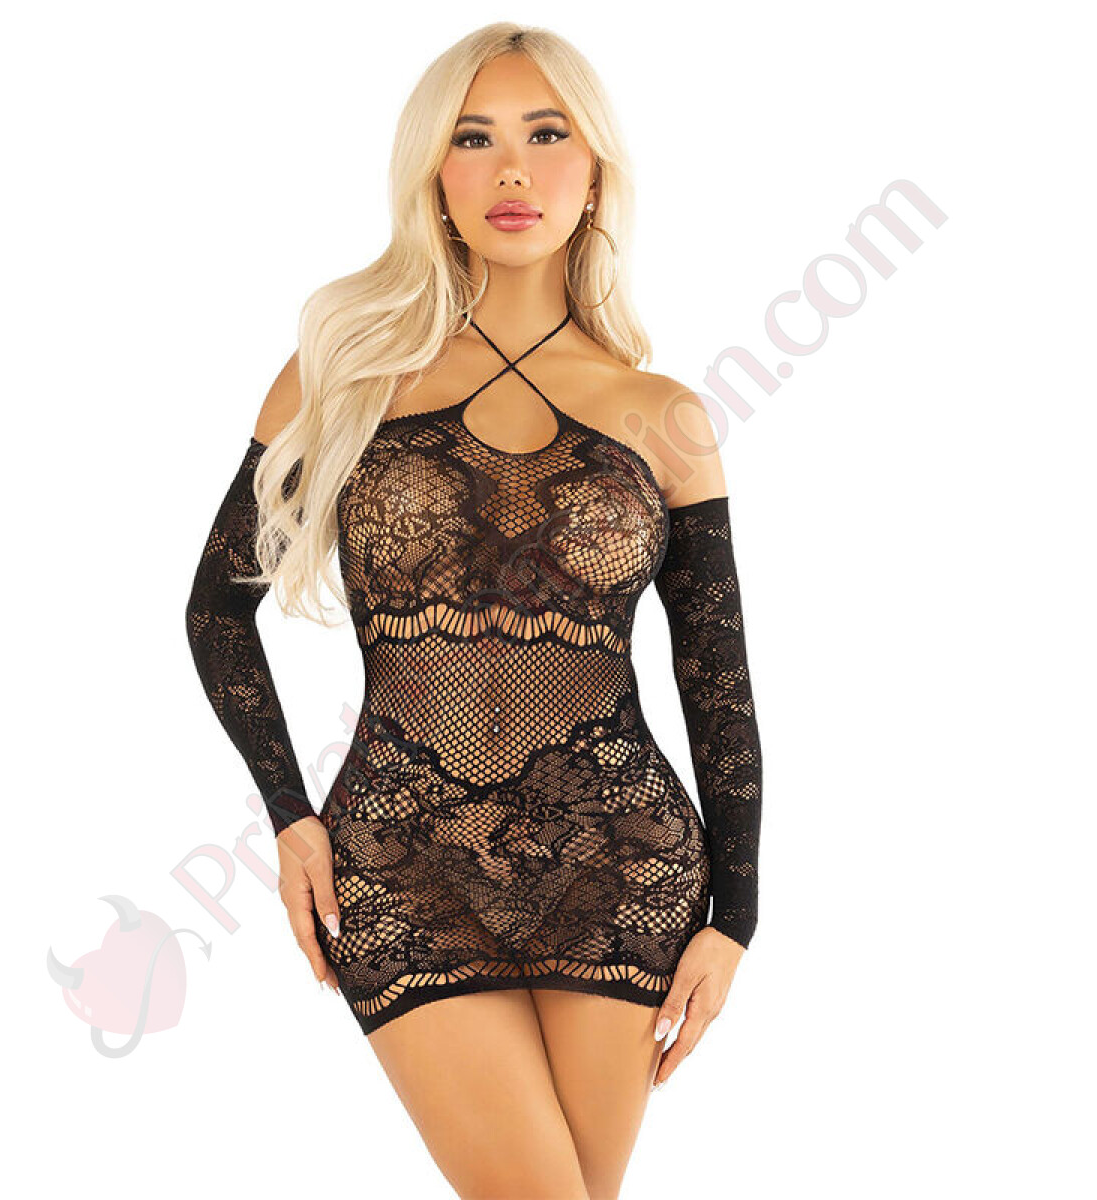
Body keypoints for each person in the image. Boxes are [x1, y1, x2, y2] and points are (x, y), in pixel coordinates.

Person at [185, 24, 762, 1200]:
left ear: (593, 174)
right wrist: (291, 819)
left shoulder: (662, 414)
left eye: (546, 136)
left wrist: (736, 917)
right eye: (472, 139)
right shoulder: (343, 375)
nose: (511, 170)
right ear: (432, 176)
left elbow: (717, 682)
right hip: (400, 863)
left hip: (621, 864)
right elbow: (217, 612)